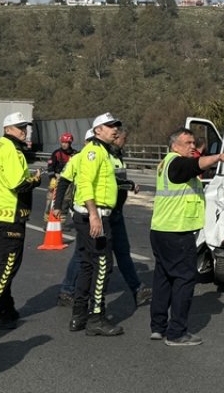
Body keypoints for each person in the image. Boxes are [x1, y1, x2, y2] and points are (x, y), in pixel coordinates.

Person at [150, 129, 224, 346]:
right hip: (177, 232)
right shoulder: (177, 164)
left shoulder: (167, 164)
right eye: (187, 143)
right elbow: (195, 165)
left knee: (163, 278)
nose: (192, 147)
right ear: (174, 146)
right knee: (184, 279)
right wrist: (219, 156)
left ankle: (158, 327)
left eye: (194, 143)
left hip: (162, 230)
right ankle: (176, 333)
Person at [67, 113, 129, 336]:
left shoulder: (102, 151)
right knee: (103, 265)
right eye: (109, 126)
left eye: (116, 126)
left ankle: (79, 315)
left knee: (86, 265)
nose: (114, 130)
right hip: (95, 216)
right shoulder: (94, 151)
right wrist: (94, 215)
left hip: (91, 215)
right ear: (97, 131)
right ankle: (96, 317)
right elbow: (85, 184)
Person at [0, 112, 41, 330]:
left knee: (2, 264)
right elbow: (19, 184)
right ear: (8, 129)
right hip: (9, 215)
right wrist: (35, 180)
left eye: (25, 127)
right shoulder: (12, 151)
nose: (24, 131)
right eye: (19, 127)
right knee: (7, 267)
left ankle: (6, 306)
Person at [109, 125, 152, 306]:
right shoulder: (106, 155)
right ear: (115, 137)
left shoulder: (118, 155)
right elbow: (108, 182)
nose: (125, 142)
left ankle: (137, 289)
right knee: (86, 258)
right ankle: (70, 291)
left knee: (123, 252)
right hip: (104, 213)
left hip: (116, 211)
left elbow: (118, 180)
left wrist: (129, 184)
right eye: (123, 139)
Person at [55, 128, 92, 307]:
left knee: (93, 254)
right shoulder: (78, 159)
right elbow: (63, 181)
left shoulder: (104, 158)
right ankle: (69, 289)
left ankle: (80, 289)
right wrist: (57, 206)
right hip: (83, 212)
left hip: (103, 214)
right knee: (82, 252)